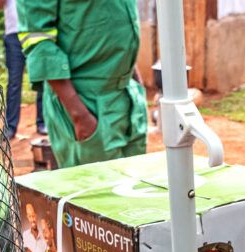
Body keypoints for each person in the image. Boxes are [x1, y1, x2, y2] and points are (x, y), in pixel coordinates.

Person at [17, 0, 147, 168]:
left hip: (127, 96)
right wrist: (80, 116)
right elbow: (39, 40)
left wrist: (136, 82)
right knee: (98, 189)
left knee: (134, 184)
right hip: (85, 102)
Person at [0, 0, 44, 139]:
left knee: (42, 76)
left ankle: (43, 122)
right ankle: (11, 126)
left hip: (36, 31)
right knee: (14, 82)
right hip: (13, 34)